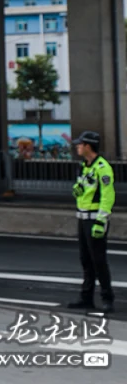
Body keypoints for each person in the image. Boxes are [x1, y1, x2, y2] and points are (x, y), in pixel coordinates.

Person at [68, 130, 115, 314]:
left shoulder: (102, 167)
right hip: (82, 218)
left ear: (88, 146)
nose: (77, 147)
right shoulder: (84, 166)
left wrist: (101, 222)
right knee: (86, 260)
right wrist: (77, 190)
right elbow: (84, 188)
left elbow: (107, 196)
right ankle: (86, 298)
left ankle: (107, 298)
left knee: (99, 261)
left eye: (80, 144)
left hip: (95, 220)